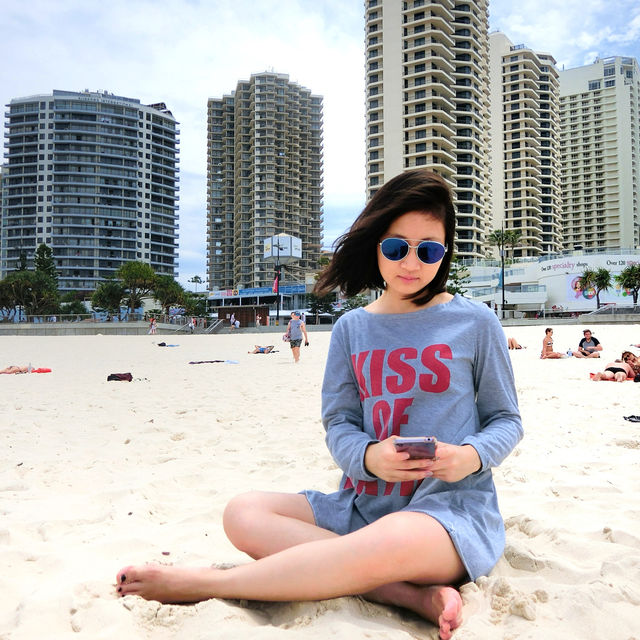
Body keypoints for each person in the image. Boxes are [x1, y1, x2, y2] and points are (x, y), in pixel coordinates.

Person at [115, 169, 523, 640]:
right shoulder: (352, 329)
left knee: (394, 538)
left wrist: (466, 457)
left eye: (429, 250)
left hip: (449, 511)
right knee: (242, 512)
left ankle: (209, 582)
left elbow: (505, 419)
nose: (411, 263)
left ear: (445, 253)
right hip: (362, 503)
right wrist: (369, 457)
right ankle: (407, 594)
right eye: (397, 248)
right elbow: (341, 423)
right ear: (376, 246)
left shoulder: (474, 321)